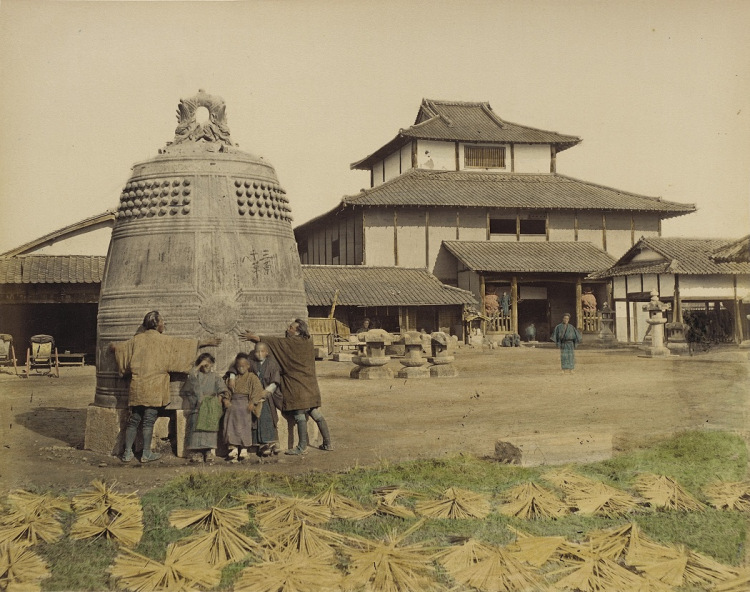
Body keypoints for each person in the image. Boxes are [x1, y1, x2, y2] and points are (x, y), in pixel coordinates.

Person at [111, 310, 221, 463]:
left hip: (137, 386)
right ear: (156, 324)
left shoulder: (136, 340)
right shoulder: (165, 341)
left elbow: (121, 350)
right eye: (162, 321)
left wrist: (114, 348)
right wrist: (207, 342)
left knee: (134, 420)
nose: (164, 324)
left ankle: (128, 453)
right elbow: (184, 346)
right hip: (154, 387)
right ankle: (146, 453)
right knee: (149, 420)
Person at [241, 319, 333, 455]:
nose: (287, 329)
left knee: (299, 414)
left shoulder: (289, 343)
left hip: (296, 385)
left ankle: (301, 447)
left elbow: (273, 342)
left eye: (290, 328)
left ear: (297, 330)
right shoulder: (308, 341)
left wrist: (253, 337)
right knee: (315, 412)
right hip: (311, 384)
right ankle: (328, 443)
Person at [183, 353, 228, 464]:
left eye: (208, 363)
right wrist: (198, 366)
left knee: (210, 426)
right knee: (196, 424)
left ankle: (208, 451)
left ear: (212, 364)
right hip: (198, 404)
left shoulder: (215, 376)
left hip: (211, 404)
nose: (206, 365)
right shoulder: (196, 375)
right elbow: (190, 378)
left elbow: (222, 389)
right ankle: (197, 452)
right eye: (204, 363)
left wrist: (219, 399)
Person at [222, 353, 266, 462]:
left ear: (248, 366)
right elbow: (226, 391)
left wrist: (253, 402)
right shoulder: (233, 378)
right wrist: (226, 399)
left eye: (243, 366)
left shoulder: (252, 377)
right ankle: (233, 448)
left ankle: (244, 449)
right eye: (239, 366)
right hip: (233, 403)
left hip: (245, 403)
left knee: (245, 423)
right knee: (230, 421)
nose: (241, 368)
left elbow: (257, 391)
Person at [250, 343, 283, 456]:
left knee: (268, 417)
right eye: (257, 352)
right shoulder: (251, 364)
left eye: (262, 351)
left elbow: (275, 381)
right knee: (256, 418)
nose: (259, 354)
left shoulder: (272, 364)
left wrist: (267, 391)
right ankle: (261, 444)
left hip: (268, 396)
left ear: (267, 352)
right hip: (255, 395)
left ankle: (271, 442)